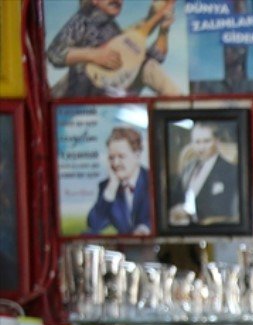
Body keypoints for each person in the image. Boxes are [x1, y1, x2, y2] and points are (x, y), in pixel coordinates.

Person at [47, 0, 183, 99]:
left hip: (112, 98)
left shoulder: (114, 30)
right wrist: (94, 55)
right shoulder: (82, 21)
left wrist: (163, 31)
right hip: (80, 103)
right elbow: (55, 53)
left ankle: (180, 108)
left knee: (148, 66)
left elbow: (153, 60)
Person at [168, 121, 239, 228]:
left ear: (217, 141)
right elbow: (175, 197)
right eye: (197, 142)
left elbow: (229, 211)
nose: (201, 148)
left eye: (206, 141)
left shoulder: (230, 171)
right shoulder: (188, 167)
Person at [86, 126, 153, 237]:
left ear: (137, 155)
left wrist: (144, 229)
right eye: (112, 158)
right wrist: (112, 186)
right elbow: (94, 224)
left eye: (121, 156)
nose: (115, 163)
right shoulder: (107, 187)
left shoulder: (151, 180)